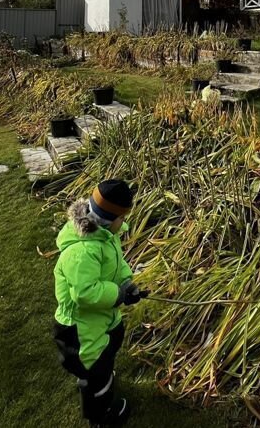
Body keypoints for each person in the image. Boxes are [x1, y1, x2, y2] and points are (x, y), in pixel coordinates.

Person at [53, 179, 144, 427]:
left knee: (113, 340)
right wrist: (118, 294)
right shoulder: (82, 252)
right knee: (95, 370)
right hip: (81, 328)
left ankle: (101, 378)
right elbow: (84, 293)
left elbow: (117, 263)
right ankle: (101, 416)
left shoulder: (104, 236)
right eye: (121, 218)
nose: (123, 223)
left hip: (100, 318)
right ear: (109, 217)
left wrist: (126, 283)